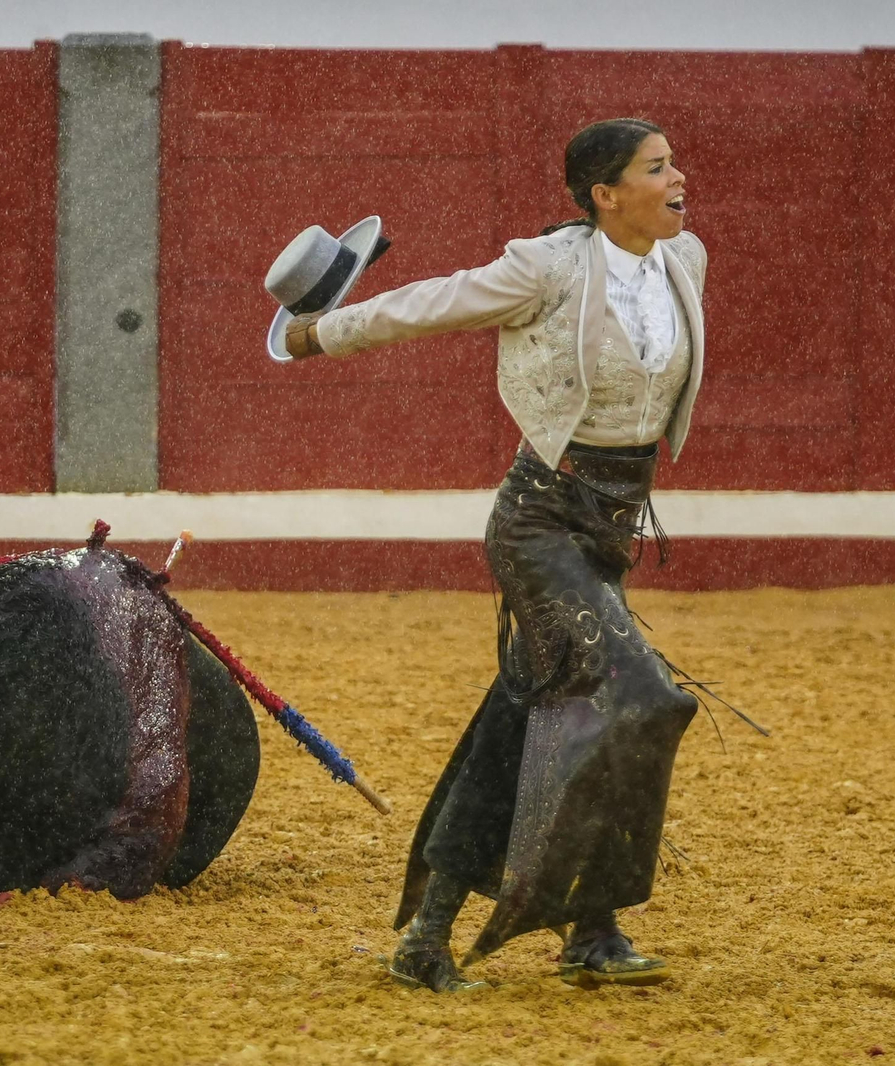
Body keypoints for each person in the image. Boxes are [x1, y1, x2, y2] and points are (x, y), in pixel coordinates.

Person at [285, 118, 707, 991]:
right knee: (641, 700)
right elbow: (432, 302)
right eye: (657, 168)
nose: (679, 180)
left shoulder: (684, 259)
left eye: (672, 166)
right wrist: (315, 334)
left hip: (609, 530)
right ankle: (582, 923)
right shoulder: (546, 266)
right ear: (604, 194)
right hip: (539, 522)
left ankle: (448, 939)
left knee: (534, 713)